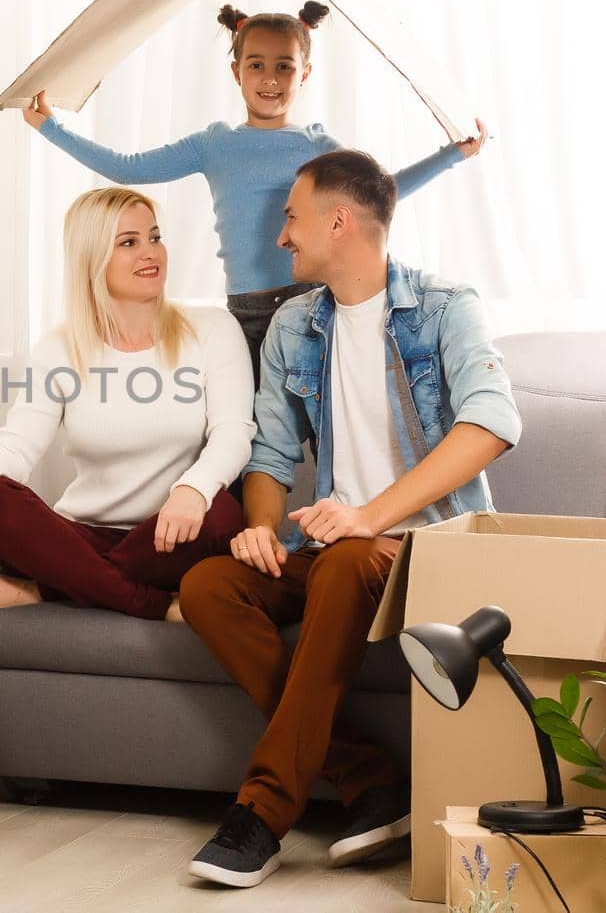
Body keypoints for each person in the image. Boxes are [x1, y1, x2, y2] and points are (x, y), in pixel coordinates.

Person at [177, 150, 521, 888]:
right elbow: (268, 453)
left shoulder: (444, 305)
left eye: (292, 219)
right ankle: (367, 777)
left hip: (431, 548)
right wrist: (262, 528)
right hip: (339, 547)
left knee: (341, 559)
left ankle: (264, 813)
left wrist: (370, 517)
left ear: (339, 222)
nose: (281, 238)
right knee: (210, 584)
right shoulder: (295, 325)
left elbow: (490, 422)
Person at [24, 1, 488, 371]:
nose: (270, 78)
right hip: (247, 312)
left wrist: (452, 154)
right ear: (236, 71)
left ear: (305, 73)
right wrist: (51, 128)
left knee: (327, 425)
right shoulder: (215, 144)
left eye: (284, 66)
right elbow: (127, 168)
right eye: (257, 65)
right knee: (250, 432)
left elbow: (379, 194)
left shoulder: (319, 146)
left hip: (313, 305)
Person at [0, 186, 254, 621]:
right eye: (128, 243)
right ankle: (155, 606)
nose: (150, 253)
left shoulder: (212, 328)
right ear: (92, 258)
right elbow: (16, 445)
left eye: (154, 236)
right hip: (81, 539)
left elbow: (234, 431)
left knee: (221, 513)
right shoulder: (58, 349)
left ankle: (54, 589)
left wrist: (191, 490)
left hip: (170, 534)